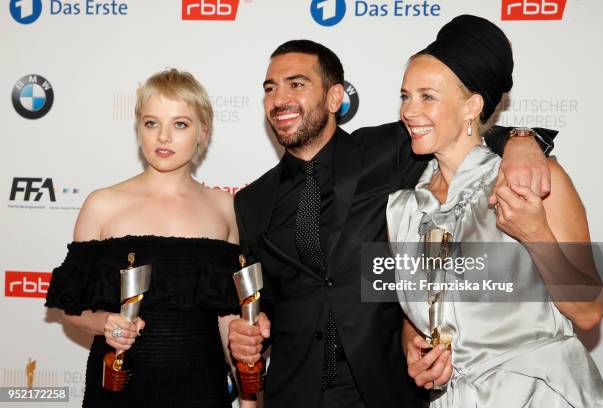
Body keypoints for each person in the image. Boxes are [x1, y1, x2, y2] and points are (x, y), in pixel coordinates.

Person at [228, 39, 557, 408]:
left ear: (335, 97)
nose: (279, 99)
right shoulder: (251, 201)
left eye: (296, 84)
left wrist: (522, 139)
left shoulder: (388, 149)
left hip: (386, 389)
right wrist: (249, 334)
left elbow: (461, 132)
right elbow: (263, 306)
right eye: (270, 88)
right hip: (294, 392)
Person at [386, 15, 603, 407]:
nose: (409, 110)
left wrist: (534, 232)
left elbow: (589, 312)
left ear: (472, 105)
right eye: (405, 96)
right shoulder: (404, 209)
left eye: (427, 96)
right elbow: (424, 309)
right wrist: (414, 345)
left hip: (542, 396)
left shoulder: (534, 178)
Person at [45, 69, 254, 408]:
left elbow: (229, 320)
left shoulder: (225, 208)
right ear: (138, 128)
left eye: (180, 124)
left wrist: (250, 400)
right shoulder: (102, 204)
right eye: (151, 123)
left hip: (202, 390)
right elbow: (72, 309)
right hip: (119, 391)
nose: (163, 137)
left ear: (203, 131)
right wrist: (106, 323)